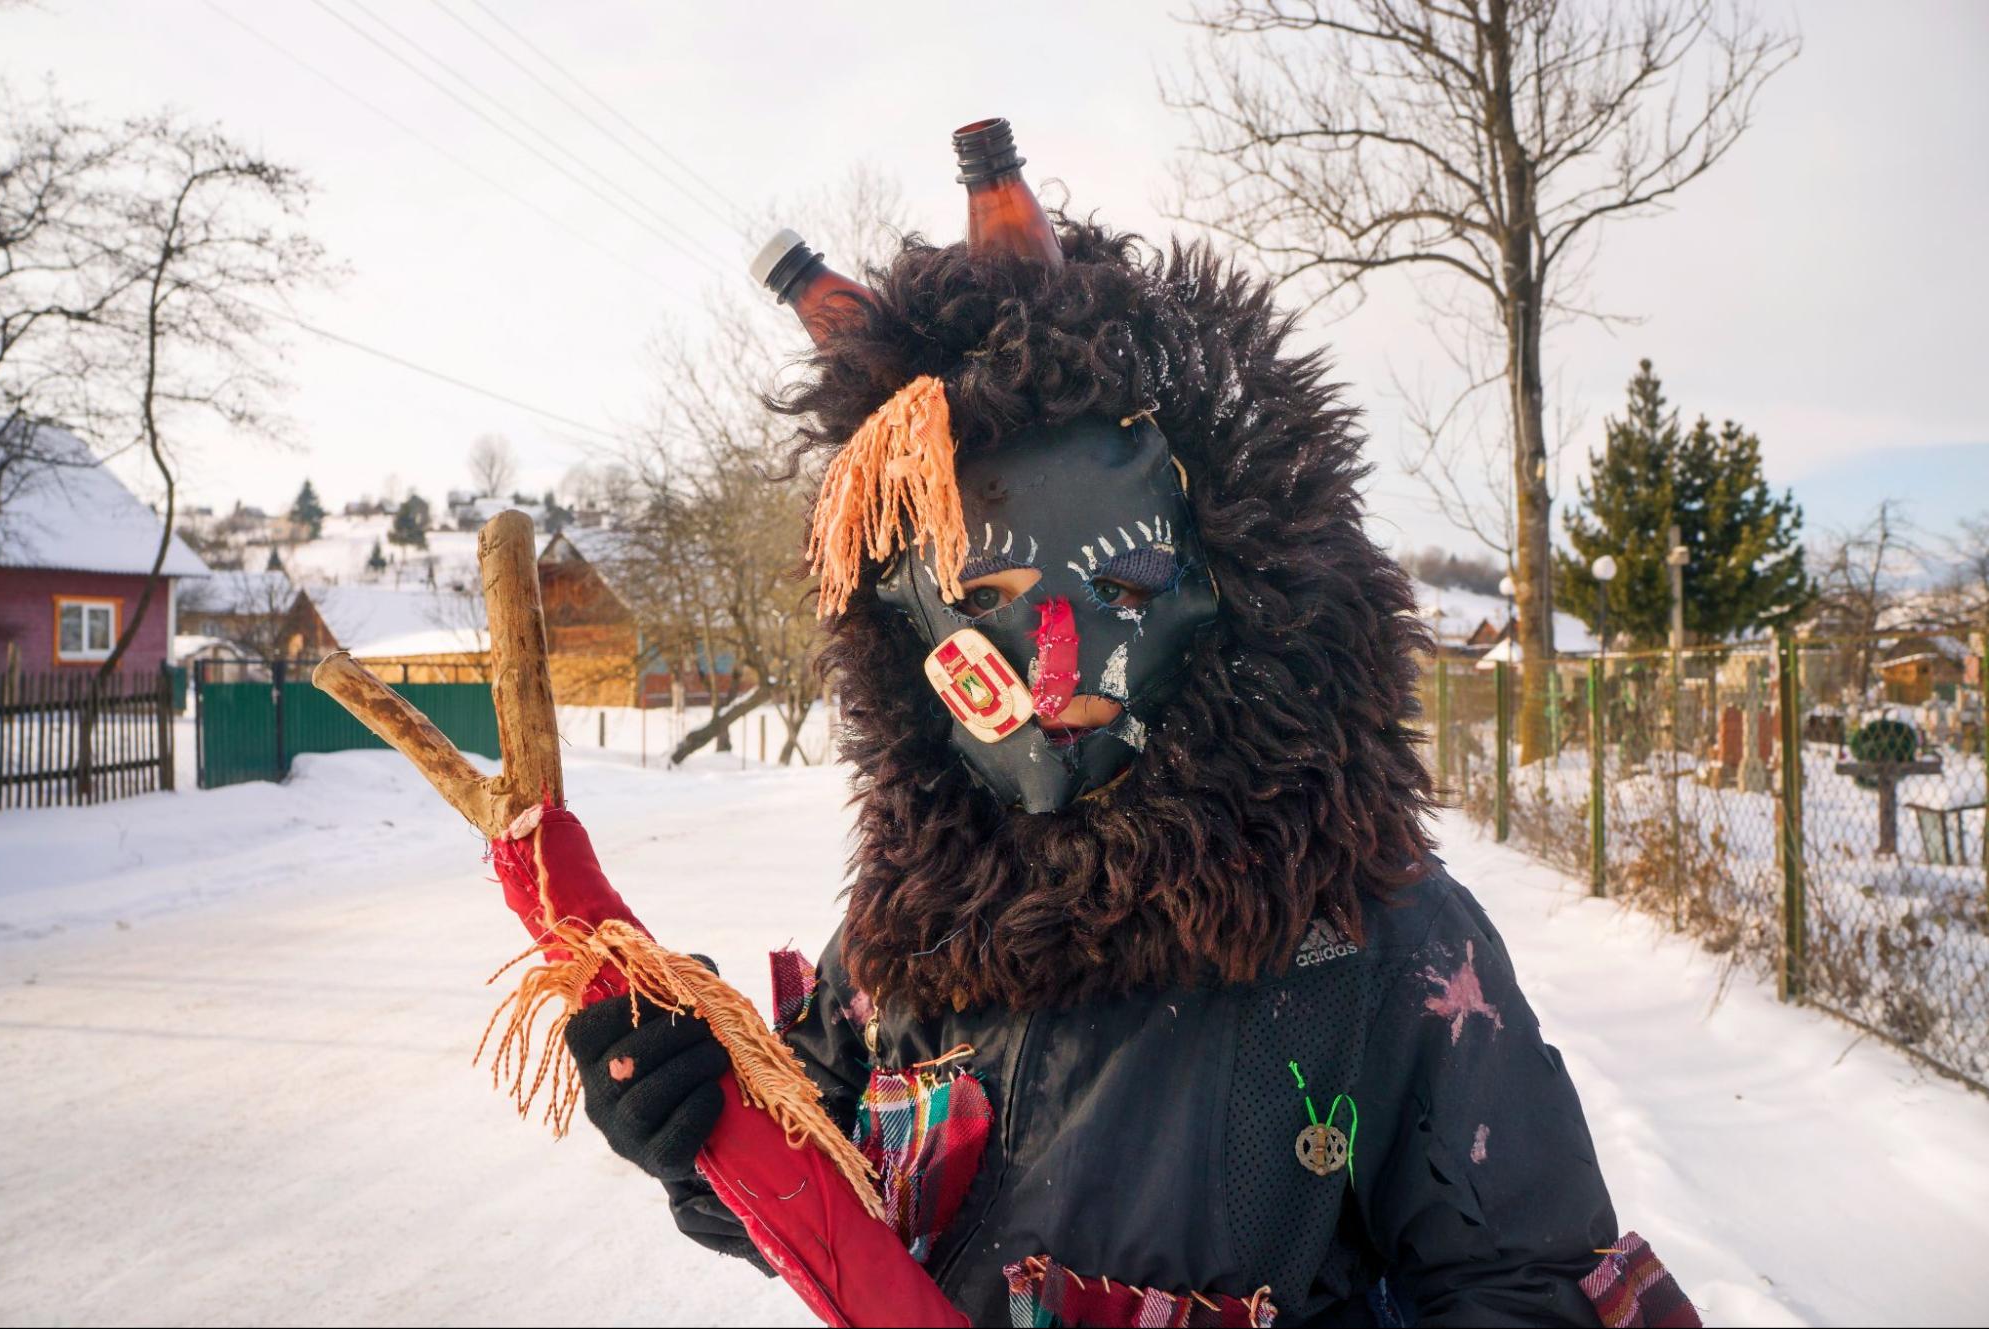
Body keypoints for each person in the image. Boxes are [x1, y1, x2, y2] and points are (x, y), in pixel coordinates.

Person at [560, 171, 1694, 1328]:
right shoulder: (910, 922)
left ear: (1225, 576)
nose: (1053, 669)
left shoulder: (1369, 935)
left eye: (1116, 585)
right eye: (985, 595)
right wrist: (702, 1122)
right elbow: (835, 1197)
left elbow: (1523, 1291)